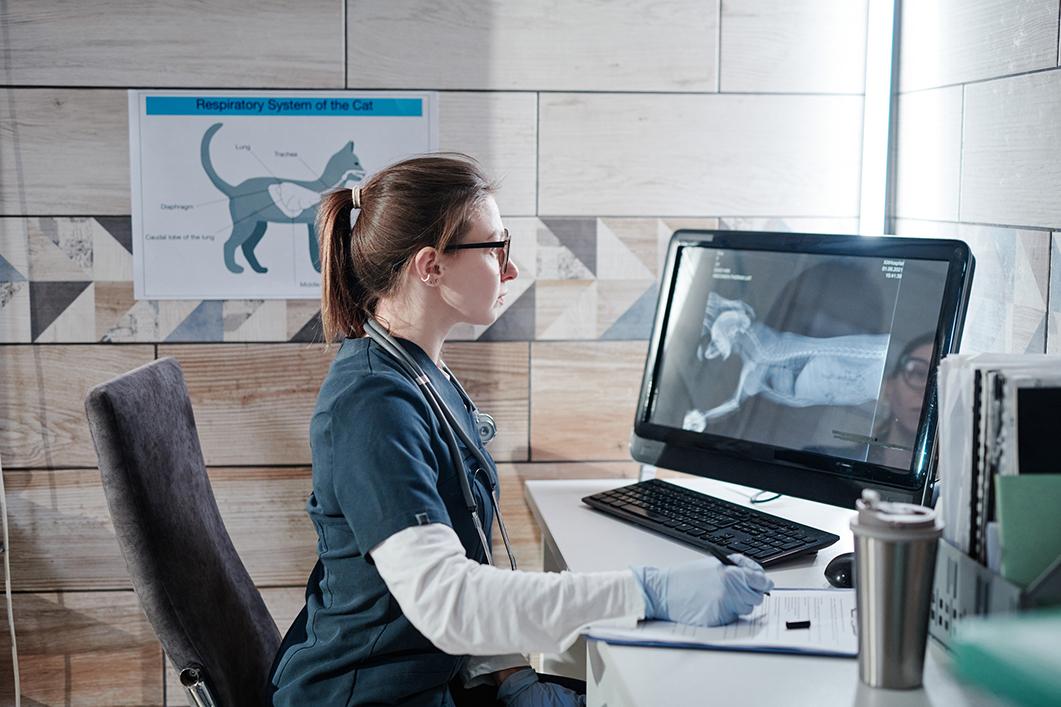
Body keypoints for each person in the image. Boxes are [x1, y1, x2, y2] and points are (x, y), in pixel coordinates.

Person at [268, 154, 774, 706]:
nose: (510, 270)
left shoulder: (419, 373)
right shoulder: (371, 406)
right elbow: (447, 601)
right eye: (496, 247)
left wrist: (509, 672)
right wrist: (649, 591)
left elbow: (462, 562)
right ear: (430, 266)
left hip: (439, 679)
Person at [870, 334, 935, 469]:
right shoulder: (827, 467)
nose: (928, 392)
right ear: (889, 387)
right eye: (918, 373)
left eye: (944, 382)